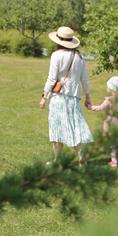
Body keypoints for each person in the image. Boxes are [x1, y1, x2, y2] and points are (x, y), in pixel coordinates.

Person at [40, 26, 93, 165]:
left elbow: (52, 79)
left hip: (59, 97)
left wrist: (44, 96)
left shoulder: (56, 55)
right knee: (75, 127)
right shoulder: (80, 57)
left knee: (57, 128)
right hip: (74, 98)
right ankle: (81, 158)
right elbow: (85, 79)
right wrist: (88, 96)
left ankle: (57, 160)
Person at [90, 76, 118, 167]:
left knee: (111, 142)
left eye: (108, 86)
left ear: (111, 88)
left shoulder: (108, 101)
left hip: (110, 123)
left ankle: (113, 160)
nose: (107, 87)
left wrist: (91, 107)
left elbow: (100, 108)